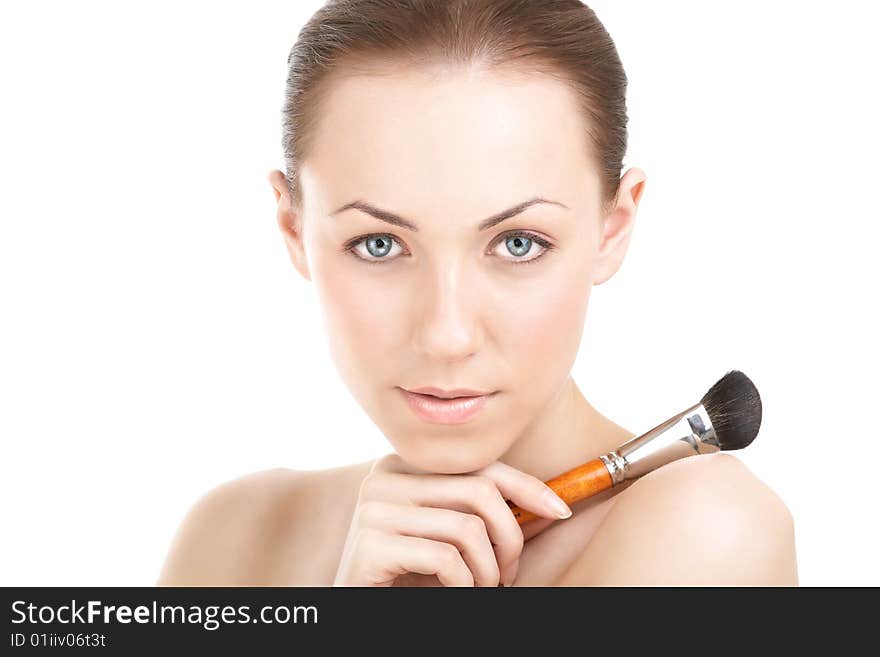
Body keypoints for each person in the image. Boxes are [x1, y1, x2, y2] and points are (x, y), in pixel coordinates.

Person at [157, 0, 798, 586]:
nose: (447, 334)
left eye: (519, 243)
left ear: (612, 228)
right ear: (294, 228)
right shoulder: (235, 537)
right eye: (378, 243)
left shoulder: (710, 531)